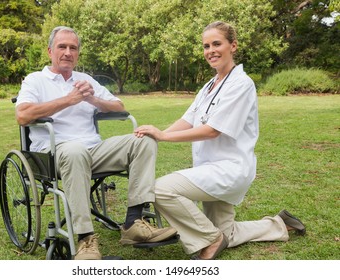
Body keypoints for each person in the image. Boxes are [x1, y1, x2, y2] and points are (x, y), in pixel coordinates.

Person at [134, 21, 306, 260]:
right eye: (206, 46)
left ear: (232, 46)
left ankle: (210, 240)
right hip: (209, 169)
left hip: (229, 170)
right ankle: (278, 224)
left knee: (161, 189)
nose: (210, 50)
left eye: (217, 43)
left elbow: (213, 130)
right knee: (228, 232)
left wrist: (164, 136)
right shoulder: (208, 86)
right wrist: (159, 135)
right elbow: (189, 118)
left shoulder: (241, 84)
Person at [15, 26, 177, 260]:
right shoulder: (36, 80)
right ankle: (85, 239)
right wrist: (69, 100)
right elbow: (23, 115)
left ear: (78, 53)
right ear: (50, 51)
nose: (68, 52)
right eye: (62, 47)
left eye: (73, 48)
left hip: (93, 150)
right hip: (55, 152)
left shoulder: (85, 80)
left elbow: (120, 107)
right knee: (75, 151)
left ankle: (134, 223)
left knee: (144, 140)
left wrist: (91, 97)